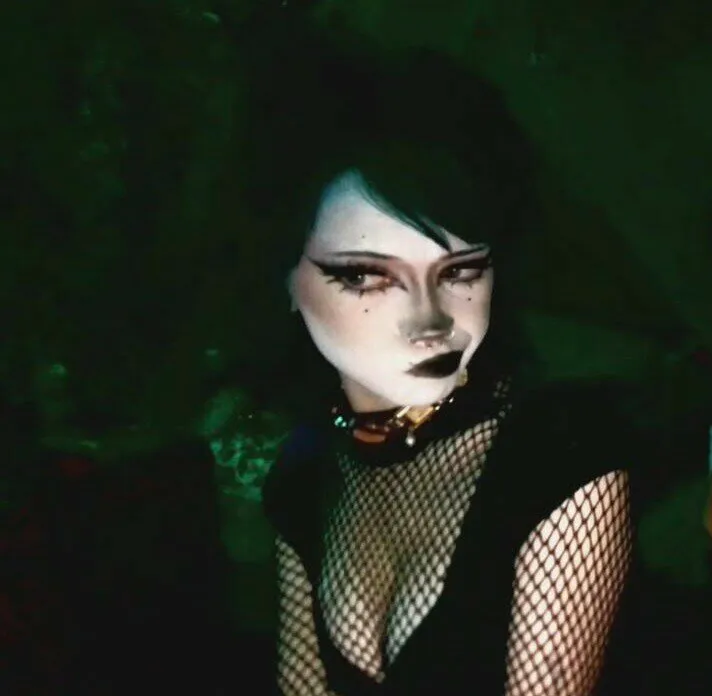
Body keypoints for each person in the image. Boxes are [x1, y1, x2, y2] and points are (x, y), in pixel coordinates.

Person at [242, 15, 637, 696]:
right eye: (365, 276)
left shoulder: (560, 455)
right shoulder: (303, 480)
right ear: (285, 282)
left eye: (460, 271)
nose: (430, 321)